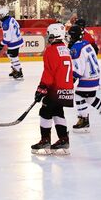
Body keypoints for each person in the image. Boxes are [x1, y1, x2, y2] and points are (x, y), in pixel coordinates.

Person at [31, 22, 75, 154]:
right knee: (57, 111)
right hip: (67, 88)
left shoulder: (51, 51)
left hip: (56, 88)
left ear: (55, 35)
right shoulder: (66, 49)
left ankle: (45, 140)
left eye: (49, 35)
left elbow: (49, 72)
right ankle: (63, 139)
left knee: (45, 111)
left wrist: (41, 88)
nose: (48, 37)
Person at [68, 19, 101, 130]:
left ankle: (84, 120)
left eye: (70, 37)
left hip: (87, 78)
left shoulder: (76, 49)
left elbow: (79, 71)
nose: (69, 39)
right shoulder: (85, 43)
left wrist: (71, 78)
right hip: (95, 76)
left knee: (79, 96)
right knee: (89, 98)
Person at [0, 5, 24, 80]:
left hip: (14, 43)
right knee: (9, 54)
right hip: (17, 40)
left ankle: (19, 71)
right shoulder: (11, 18)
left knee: (13, 56)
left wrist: (1, 44)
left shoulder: (5, 23)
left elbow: (7, 39)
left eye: (0, 15)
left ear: (4, 15)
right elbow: (17, 27)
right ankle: (15, 69)